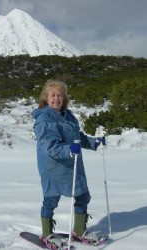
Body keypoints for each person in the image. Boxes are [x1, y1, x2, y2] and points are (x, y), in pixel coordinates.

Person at [31, 79, 106, 249]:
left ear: (64, 98)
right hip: (53, 166)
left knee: (83, 196)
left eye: (60, 95)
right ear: (46, 97)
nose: (56, 98)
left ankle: (79, 231)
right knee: (51, 199)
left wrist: (94, 142)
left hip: (73, 165)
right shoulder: (43, 118)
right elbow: (49, 145)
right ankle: (47, 233)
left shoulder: (69, 116)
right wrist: (68, 150)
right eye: (53, 95)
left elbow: (77, 137)